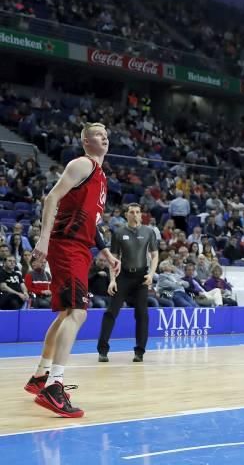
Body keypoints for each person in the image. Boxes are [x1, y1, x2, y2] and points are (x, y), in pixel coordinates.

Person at [24, 123, 120, 418]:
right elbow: (51, 198)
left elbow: (92, 221)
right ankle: (55, 385)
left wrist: (103, 250)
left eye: (106, 133)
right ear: (85, 141)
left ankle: (42, 375)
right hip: (65, 243)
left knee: (68, 313)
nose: (104, 136)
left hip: (79, 246)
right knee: (78, 311)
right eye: (97, 134)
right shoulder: (83, 164)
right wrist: (42, 240)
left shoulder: (101, 177)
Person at [97, 203, 159, 363]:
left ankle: (139, 352)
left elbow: (155, 256)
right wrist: (112, 280)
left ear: (141, 214)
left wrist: (151, 275)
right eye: (132, 212)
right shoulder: (119, 232)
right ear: (126, 214)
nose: (135, 214)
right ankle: (102, 351)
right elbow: (114, 259)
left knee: (142, 315)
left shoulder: (149, 232)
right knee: (111, 312)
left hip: (141, 278)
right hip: (123, 276)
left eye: (138, 212)